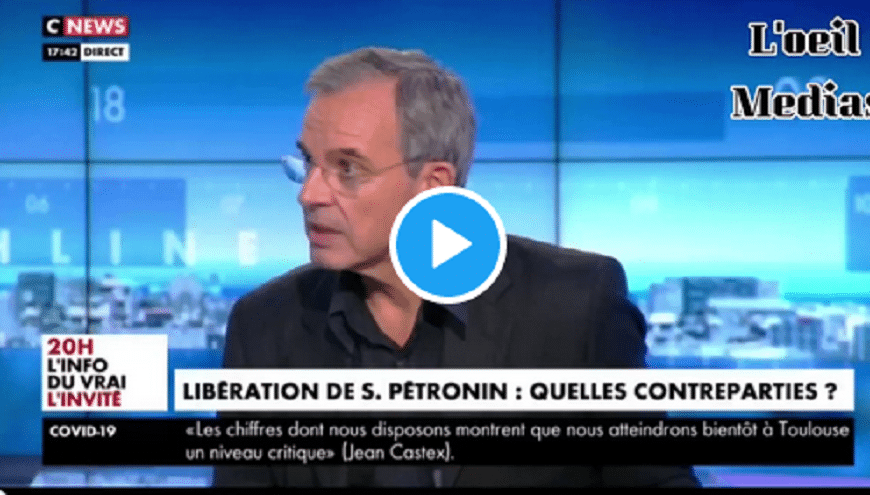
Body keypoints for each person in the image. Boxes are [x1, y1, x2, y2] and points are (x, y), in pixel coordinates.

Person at [213, 47, 701, 488]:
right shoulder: (263, 325)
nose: (309, 194)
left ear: (432, 185)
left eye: (348, 169)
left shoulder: (574, 307)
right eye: (308, 164)